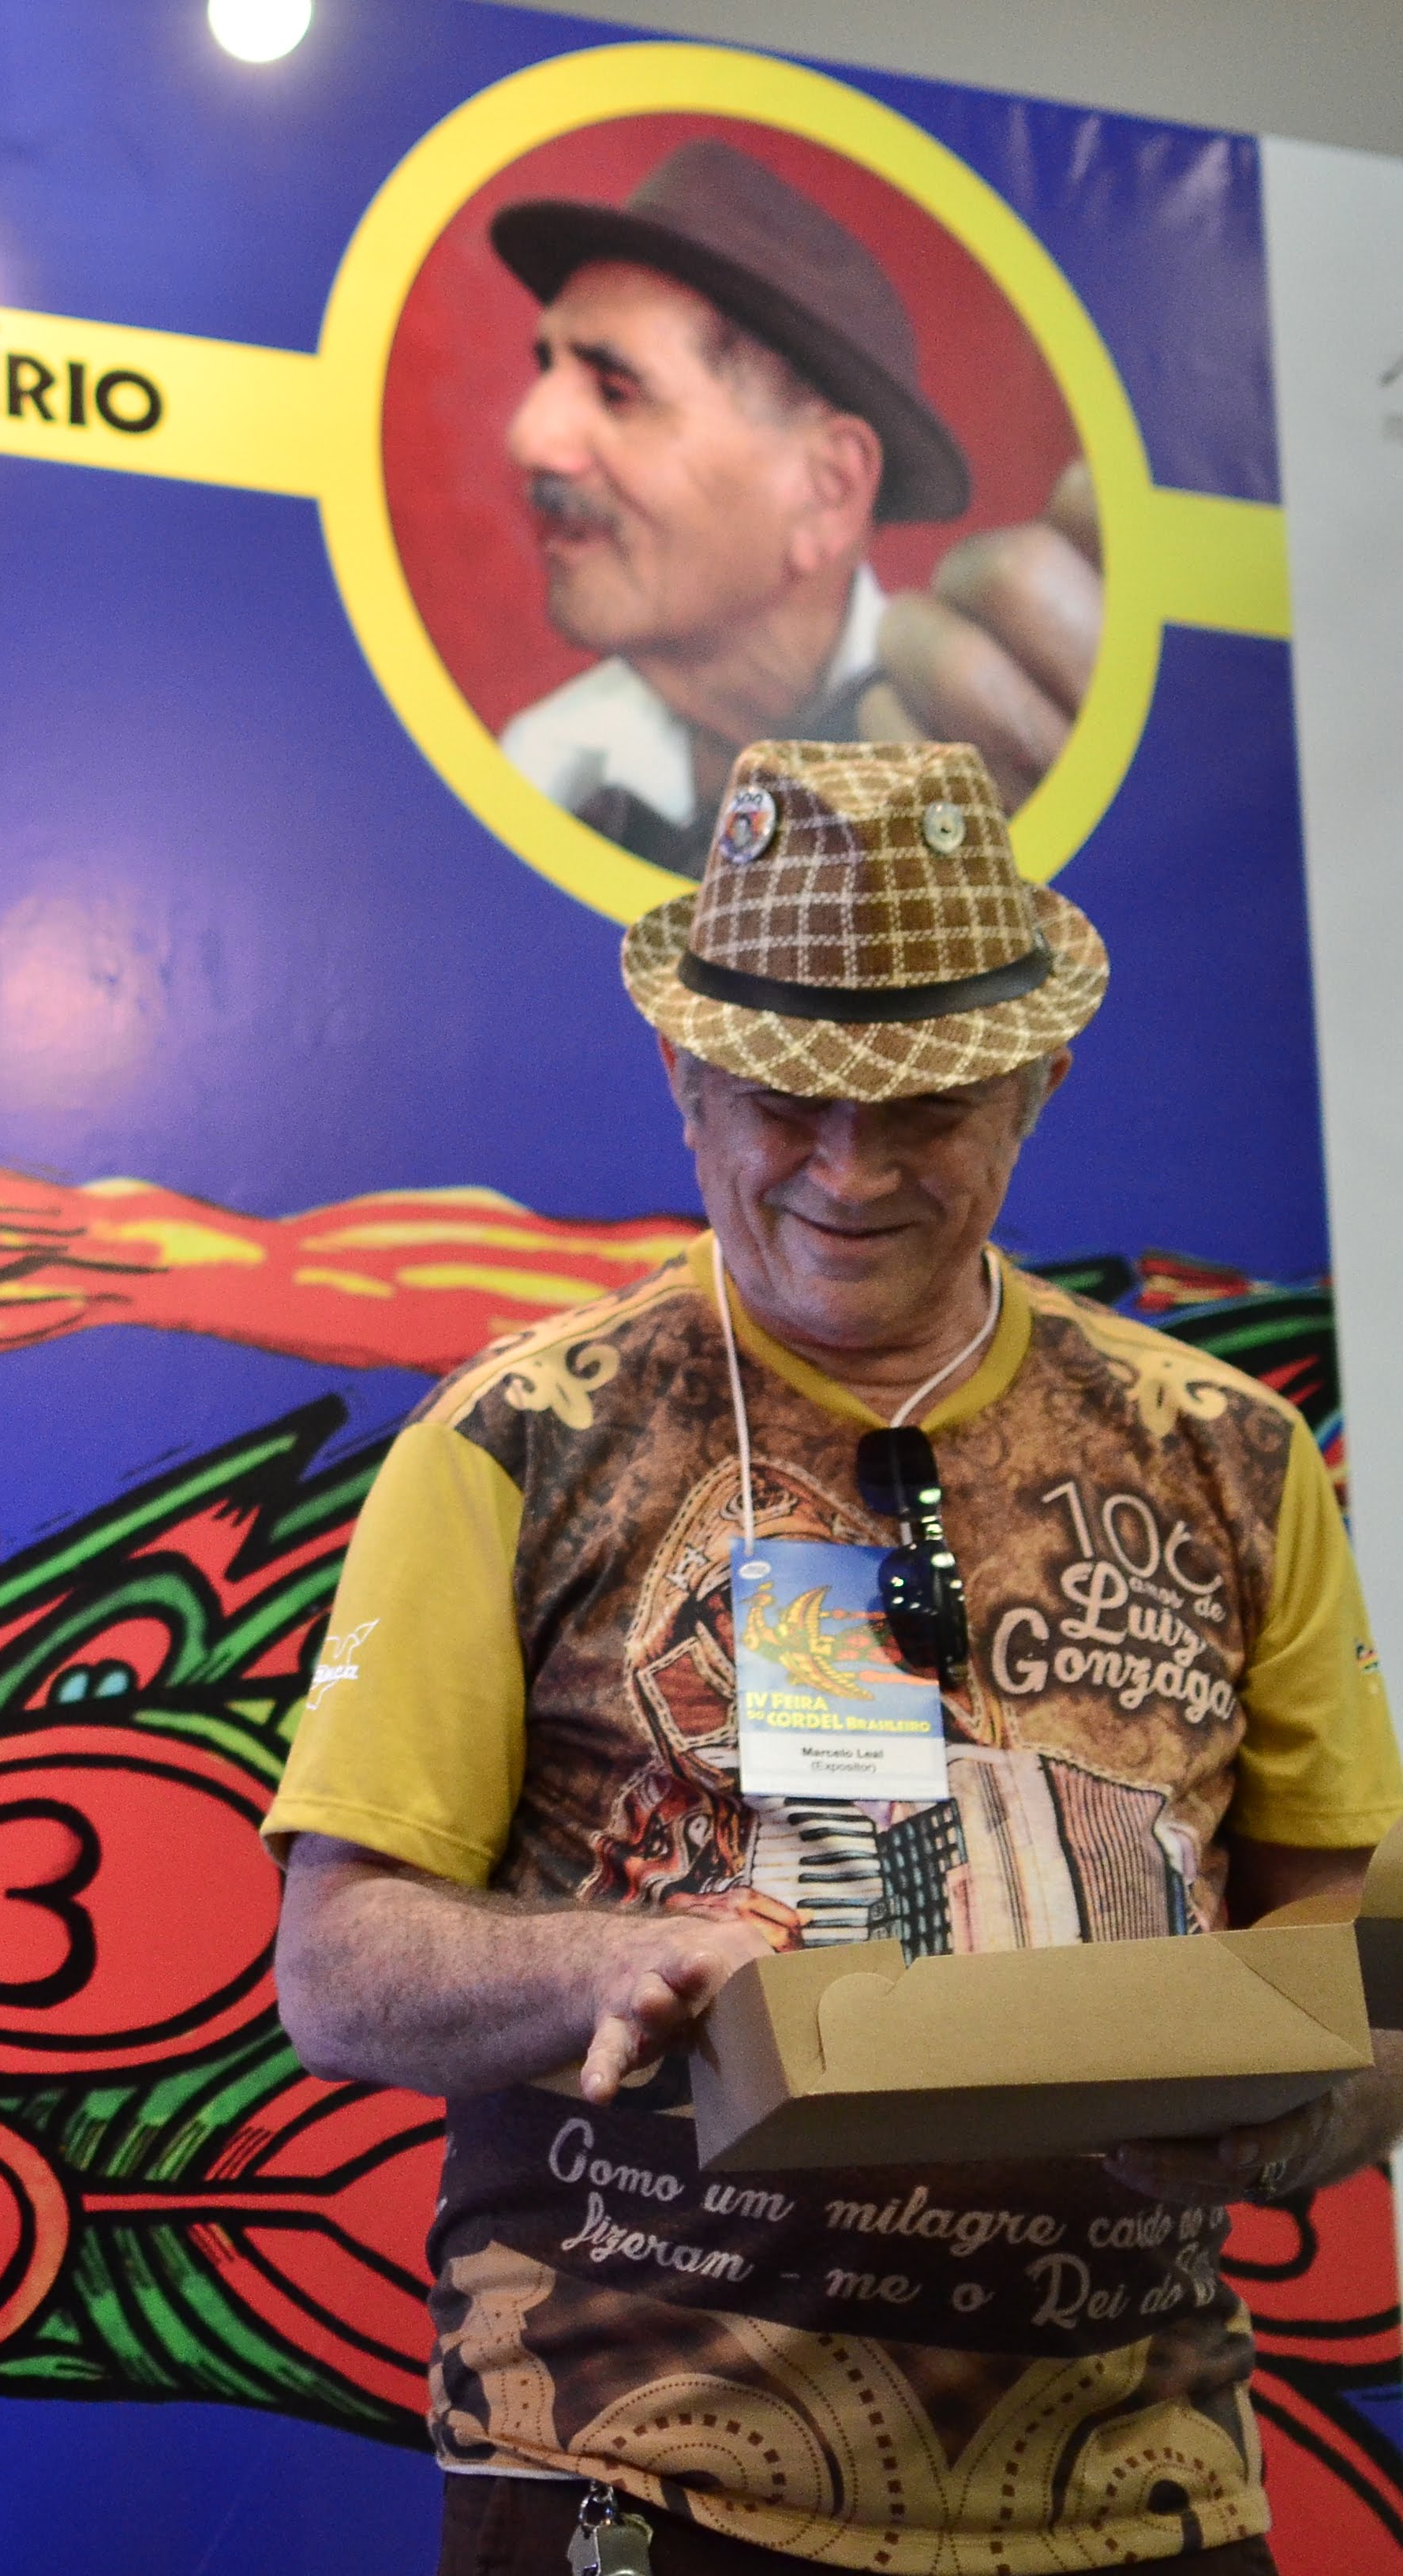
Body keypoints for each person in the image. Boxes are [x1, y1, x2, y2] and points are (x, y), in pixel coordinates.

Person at [267, 739, 1402, 2575]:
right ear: (682, 1075)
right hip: (644, 2491)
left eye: (926, 1106)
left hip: (1139, 2497)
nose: (850, 1171)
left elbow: (1357, 1939)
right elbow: (334, 1971)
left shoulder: (1233, 1453)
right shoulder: (522, 1440)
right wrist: (615, 1959)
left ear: (1035, 1084)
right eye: (785, 1102)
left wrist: (1297, 2113)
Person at [491, 141, 1102, 869]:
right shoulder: (543, 763)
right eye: (548, 370)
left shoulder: (992, 760)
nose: (528, 437)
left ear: (827, 489)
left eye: (618, 392)